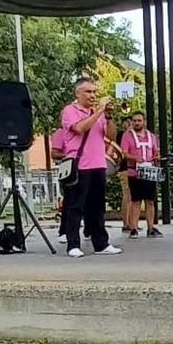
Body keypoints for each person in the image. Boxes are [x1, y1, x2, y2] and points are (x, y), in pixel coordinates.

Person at [58, 78, 121, 258]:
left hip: (98, 164)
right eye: (88, 92)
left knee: (97, 207)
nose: (92, 95)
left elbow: (110, 136)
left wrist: (108, 117)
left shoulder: (98, 113)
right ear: (77, 93)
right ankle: (73, 244)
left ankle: (101, 243)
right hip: (80, 165)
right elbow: (79, 128)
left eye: (94, 92)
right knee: (75, 206)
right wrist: (100, 110)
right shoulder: (70, 111)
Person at [121, 110, 163, 238]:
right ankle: (133, 228)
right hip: (134, 172)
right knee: (136, 200)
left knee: (150, 200)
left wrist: (157, 157)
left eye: (139, 120)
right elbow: (124, 153)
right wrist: (135, 158)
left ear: (144, 122)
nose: (137, 123)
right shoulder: (127, 135)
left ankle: (151, 228)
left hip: (149, 171)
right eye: (134, 121)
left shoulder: (151, 136)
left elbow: (156, 152)